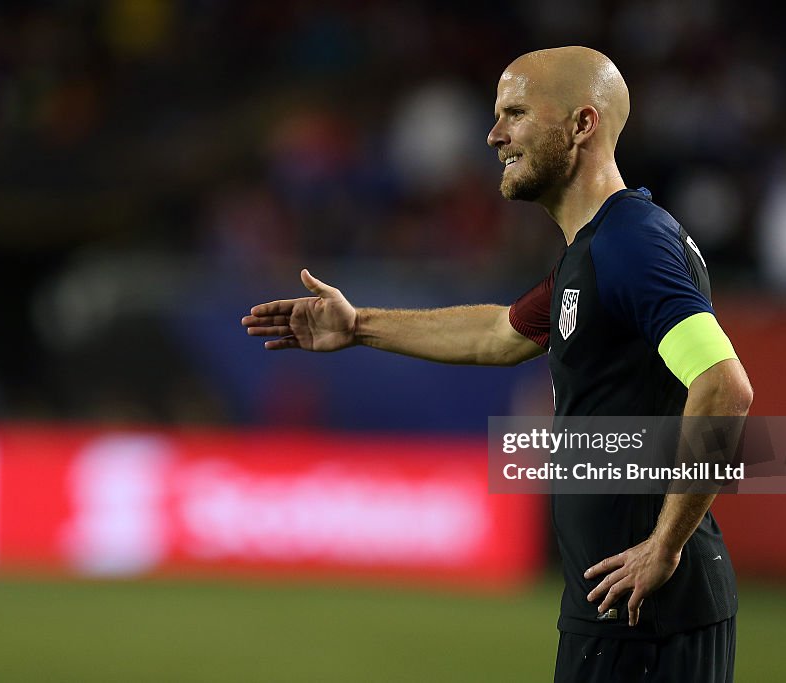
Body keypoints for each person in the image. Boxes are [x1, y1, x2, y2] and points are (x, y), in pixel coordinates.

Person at [241, 46, 753, 683]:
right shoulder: (592, 253)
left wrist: (665, 547)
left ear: (582, 125)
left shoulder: (631, 245)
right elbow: (499, 335)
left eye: (515, 113)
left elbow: (725, 386)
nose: (493, 135)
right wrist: (359, 325)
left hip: (648, 617)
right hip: (620, 607)